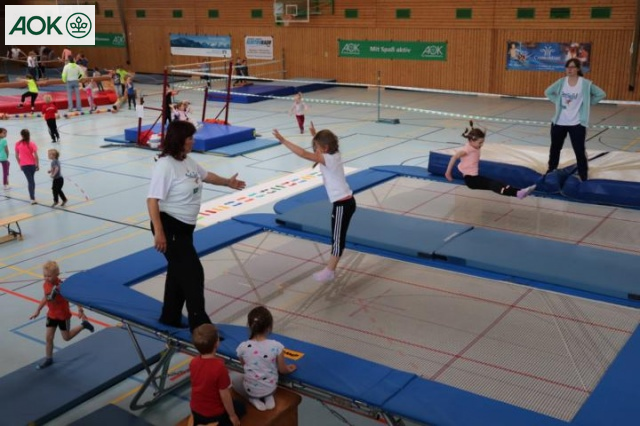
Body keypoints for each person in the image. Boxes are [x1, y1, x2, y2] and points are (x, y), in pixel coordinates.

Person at [147, 121, 246, 330]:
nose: (193, 141)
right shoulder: (165, 165)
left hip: (185, 228)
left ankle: (170, 317)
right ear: (179, 140)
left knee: (178, 272)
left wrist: (228, 182)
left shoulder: (188, 161)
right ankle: (200, 326)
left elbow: (207, 176)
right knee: (193, 274)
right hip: (169, 226)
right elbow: (152, 200)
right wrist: (159, 233)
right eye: (190, 138)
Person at [273, 123, 356, 282]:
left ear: (324, 148)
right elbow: (322, 148)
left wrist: (283, 140)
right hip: (346, 202)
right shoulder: (334, 153)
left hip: (343, 205)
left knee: (337, 239)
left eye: (316, 147)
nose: (315, 150)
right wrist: (314, 135)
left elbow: (303, 153)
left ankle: (330, 271)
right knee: (337, 237)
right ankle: (330, 269)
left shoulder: (327, 159)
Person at [544, 58, 606, 181]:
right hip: (559, 122)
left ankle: (583, 175)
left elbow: (601, 94)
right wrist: (557, 101)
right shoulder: (561, 82)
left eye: (572, 67)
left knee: (579, 150)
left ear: (578, 69)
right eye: (567, 67)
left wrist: (587, 103)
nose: (569, 69)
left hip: (577, 123)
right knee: (555, 148)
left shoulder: (585, 84)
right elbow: (548, 92)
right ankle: (551, 170)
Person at [445, 121, 537, 199]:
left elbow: (473, 138)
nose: (481, 145)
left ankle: (519, 191)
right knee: (493, 184)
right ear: (471, 141)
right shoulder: (467, 150)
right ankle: (517, 193)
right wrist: (448, 173)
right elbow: (454, 157)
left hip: (474, 178)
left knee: (497, 183)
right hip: (471, 180)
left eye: (482, 142)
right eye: (480, 142)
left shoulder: (473, 145)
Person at [29, 260, 95, 369]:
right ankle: (48, 359)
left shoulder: (63, 286)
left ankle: (84, 324)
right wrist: (38, 310)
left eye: (49, 276)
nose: (46, 278)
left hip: (63, 316)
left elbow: (73, 297)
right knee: (49, 338)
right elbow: (46, 297)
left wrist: (80, 310)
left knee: (66, 337)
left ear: (57, 274)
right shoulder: (45, 284)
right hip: (51, 315)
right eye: (45, 276)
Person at [236, 306, 297, 411]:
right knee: (266, 386)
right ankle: (267, 396)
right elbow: (282, 370)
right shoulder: (276, 346)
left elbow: (244, 365)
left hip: (251, 388)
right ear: (269, 327)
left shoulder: (242, 347)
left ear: (250, 326)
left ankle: (254, 398)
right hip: (270, 387)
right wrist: (290, 368)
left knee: (241, 382)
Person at [190, 323, 245, 426]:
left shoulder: (193, 362)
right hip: (213, 414)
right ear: (217, 343)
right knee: (241, 408)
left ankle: (198, 421)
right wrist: (232, 415)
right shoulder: (219, 367)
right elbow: (225, 395)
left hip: (195, 409)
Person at [14, 129, 39, 204]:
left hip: (24, 165)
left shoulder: (18, 144)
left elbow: (16, 156)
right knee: (31, 181)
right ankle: (32, 198)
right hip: (32, 164)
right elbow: (36, 155)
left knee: (30, 181)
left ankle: (32, 198)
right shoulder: (32, 143)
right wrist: (37, 164)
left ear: (21, 135)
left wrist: (20, 164)